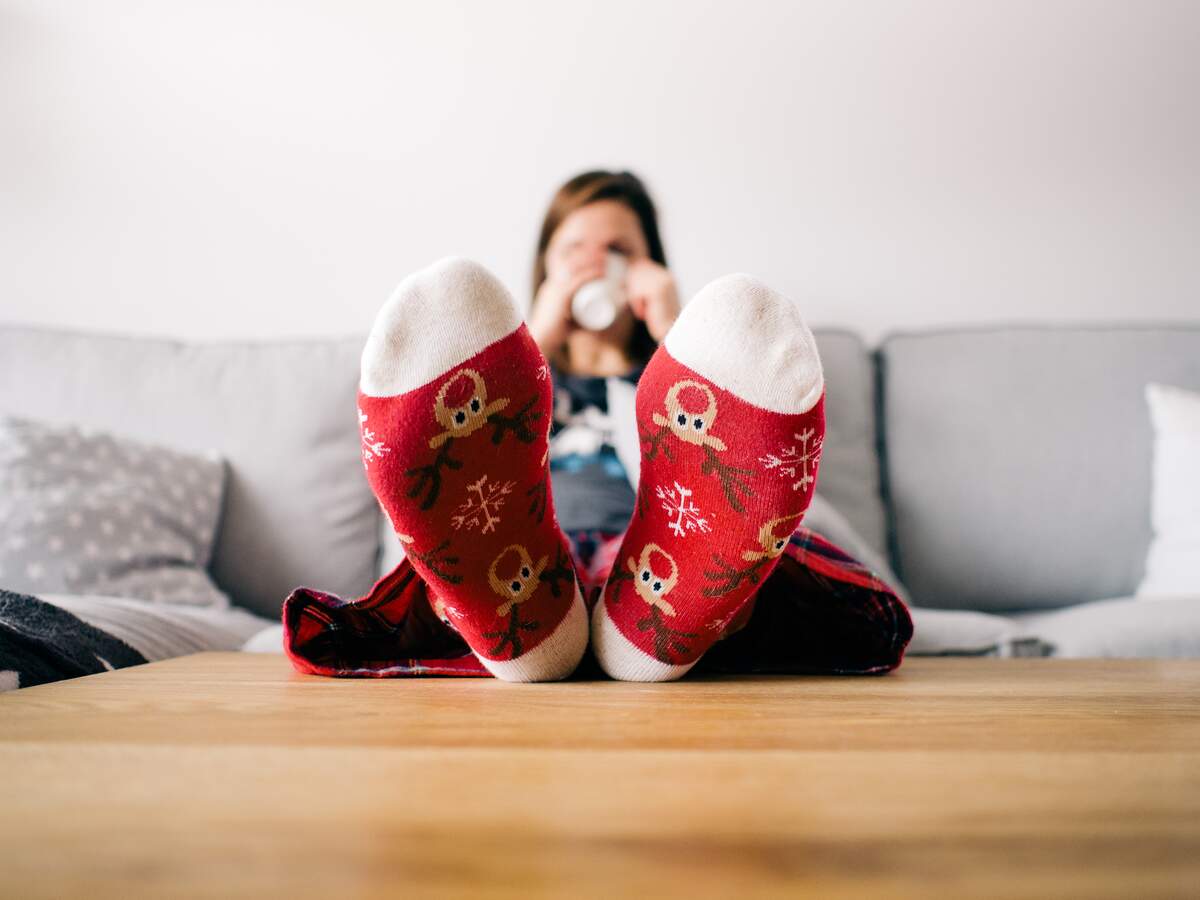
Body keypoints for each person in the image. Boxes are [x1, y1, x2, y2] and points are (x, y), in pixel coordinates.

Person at [281, 171, 912, 682]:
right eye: (575, 253)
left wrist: (675, 333)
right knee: (465, 561)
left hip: (663, 548)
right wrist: (536, 340)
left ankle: (626, 625)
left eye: (620, 253)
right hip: (518, 550)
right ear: (545, 273)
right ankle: (552, 624)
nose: (597, 266)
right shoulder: (505, 382)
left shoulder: (699, 384)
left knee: (738, 557)